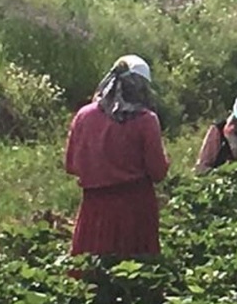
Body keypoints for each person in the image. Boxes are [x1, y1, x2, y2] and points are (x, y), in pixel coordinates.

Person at [64, 54, 169, 258]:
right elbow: (158, 173)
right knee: (133, 267)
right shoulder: (146, 120)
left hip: (93, 208)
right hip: (135, 209)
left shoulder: (84, 116)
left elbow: (72, 165)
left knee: (91, 266)